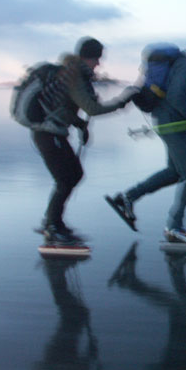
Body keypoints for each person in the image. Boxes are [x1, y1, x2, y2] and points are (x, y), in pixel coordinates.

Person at [109, 22, 186, 244]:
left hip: (171, 118)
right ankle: (174, 227)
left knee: (175, 172)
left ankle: (126, 198)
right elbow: (176, 95)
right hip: (170, 120)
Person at [34, 37, 129, 244]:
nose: (98, 64)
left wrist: (79, 125)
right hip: (47, 134)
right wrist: (121, 102)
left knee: (74, 174)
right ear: (88, 57)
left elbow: (62, 106)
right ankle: (52, 226)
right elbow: (92, 108)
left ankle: (53, 222)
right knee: (65, 179)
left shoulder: (72, 72)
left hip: (53, 133)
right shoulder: (74, 75)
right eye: (96, 59)